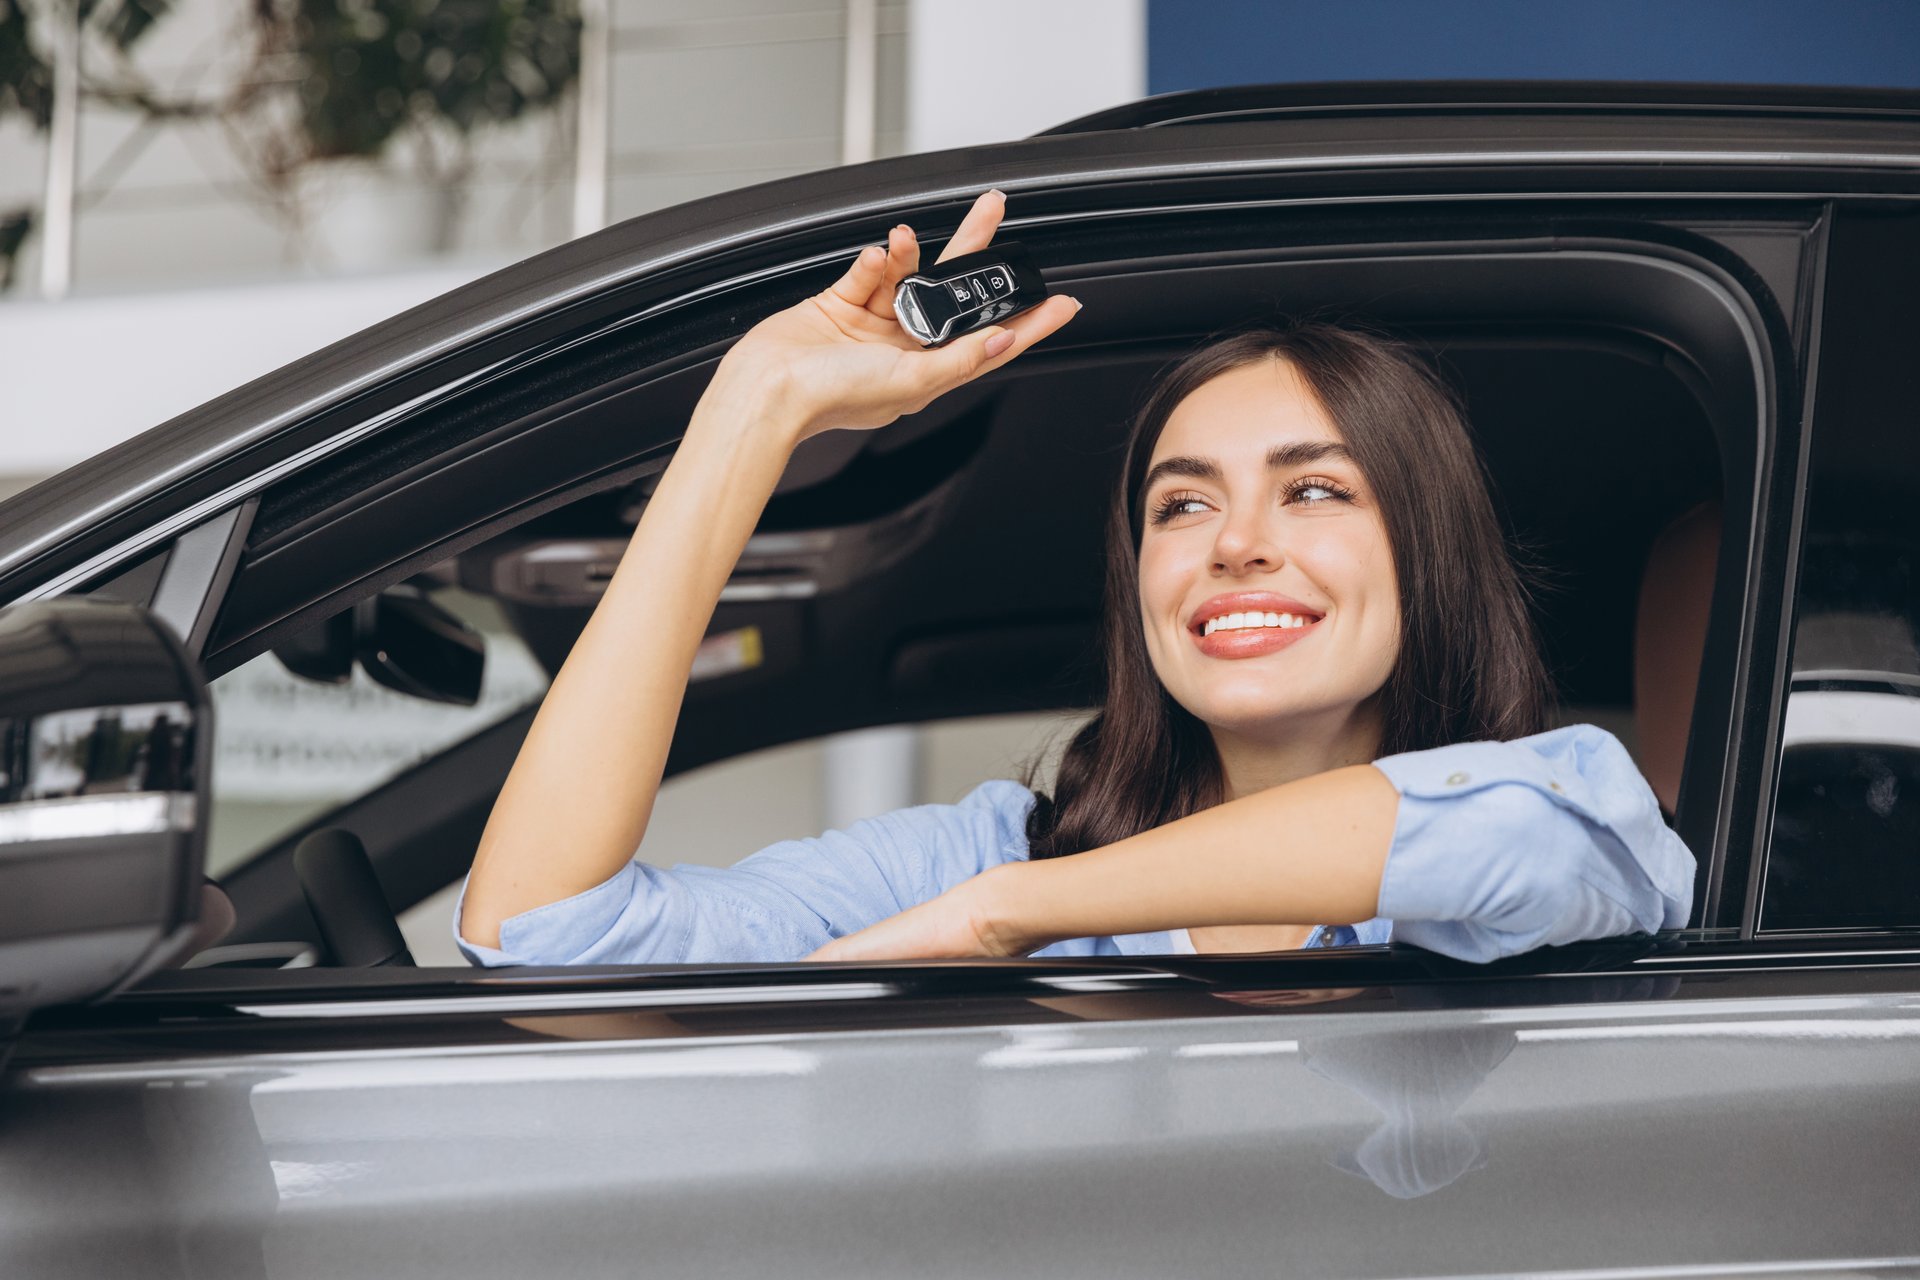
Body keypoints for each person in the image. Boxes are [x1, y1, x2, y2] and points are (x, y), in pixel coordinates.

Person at [454, 190, 1694, 967]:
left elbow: (1511, 848)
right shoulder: (1000, 848)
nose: (1235, 541)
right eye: (1182, 502)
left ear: (1429, 558)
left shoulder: (1552, 794)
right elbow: (542, 937)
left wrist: (1009, 918)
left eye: (1315, 489)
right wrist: (754, 409)